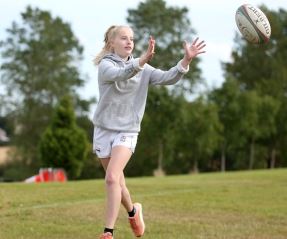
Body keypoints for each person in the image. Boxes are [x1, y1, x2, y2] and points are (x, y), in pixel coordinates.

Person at [93, 25, 206, 239]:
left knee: (111, 179)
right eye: (124, 38)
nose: (129, 42)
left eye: (132, 39)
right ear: (111, 43)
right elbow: (122, 74)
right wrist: (142, 60)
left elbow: (168, 77)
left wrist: (186, 60)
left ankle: (108, 232)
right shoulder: (106, 66)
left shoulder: (143, 69)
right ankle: (133, 212)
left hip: (127, 131)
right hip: (103, 130)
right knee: (118, 182)